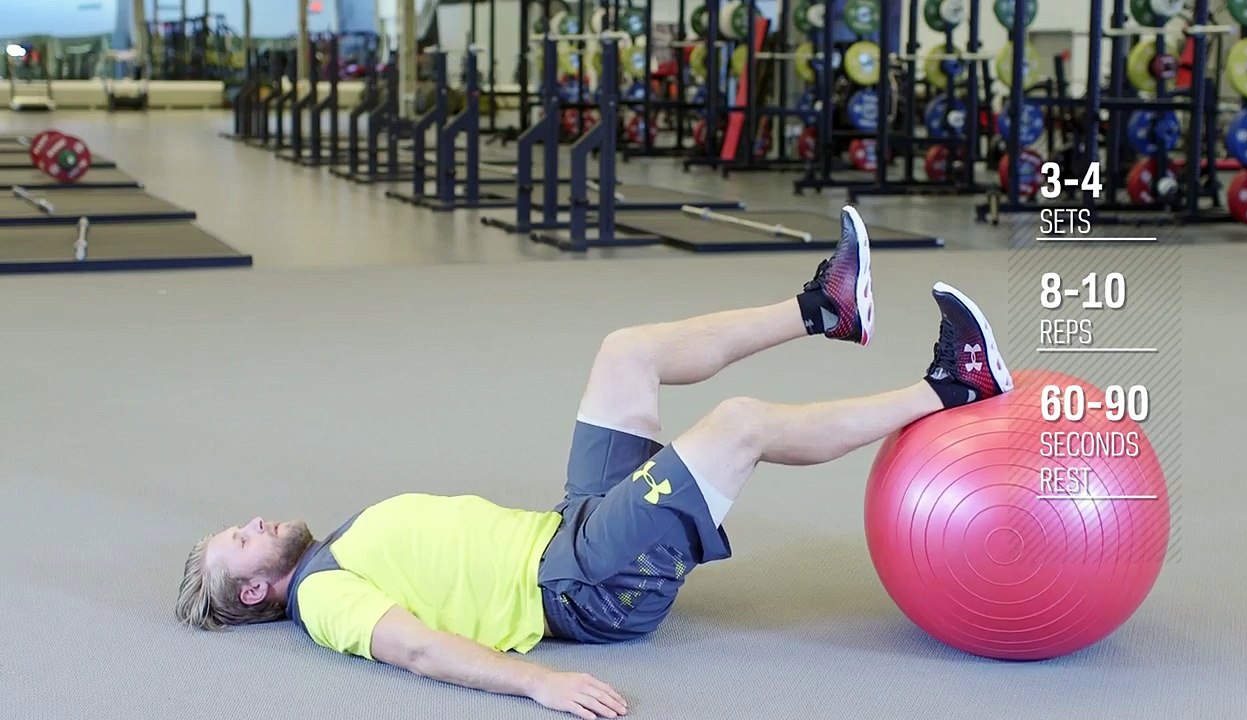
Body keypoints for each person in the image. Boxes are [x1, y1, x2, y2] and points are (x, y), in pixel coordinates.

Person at [174, 206, 1013, 720]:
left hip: (569, 531)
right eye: (239, 542)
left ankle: (824, 308)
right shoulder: (321, 598)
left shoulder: (334, 548)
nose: (252, 523)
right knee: (739, 426)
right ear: (254, 591)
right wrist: (537, 685)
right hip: (588, 585)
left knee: (625, 353)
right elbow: (420, 651)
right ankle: (953, 386)